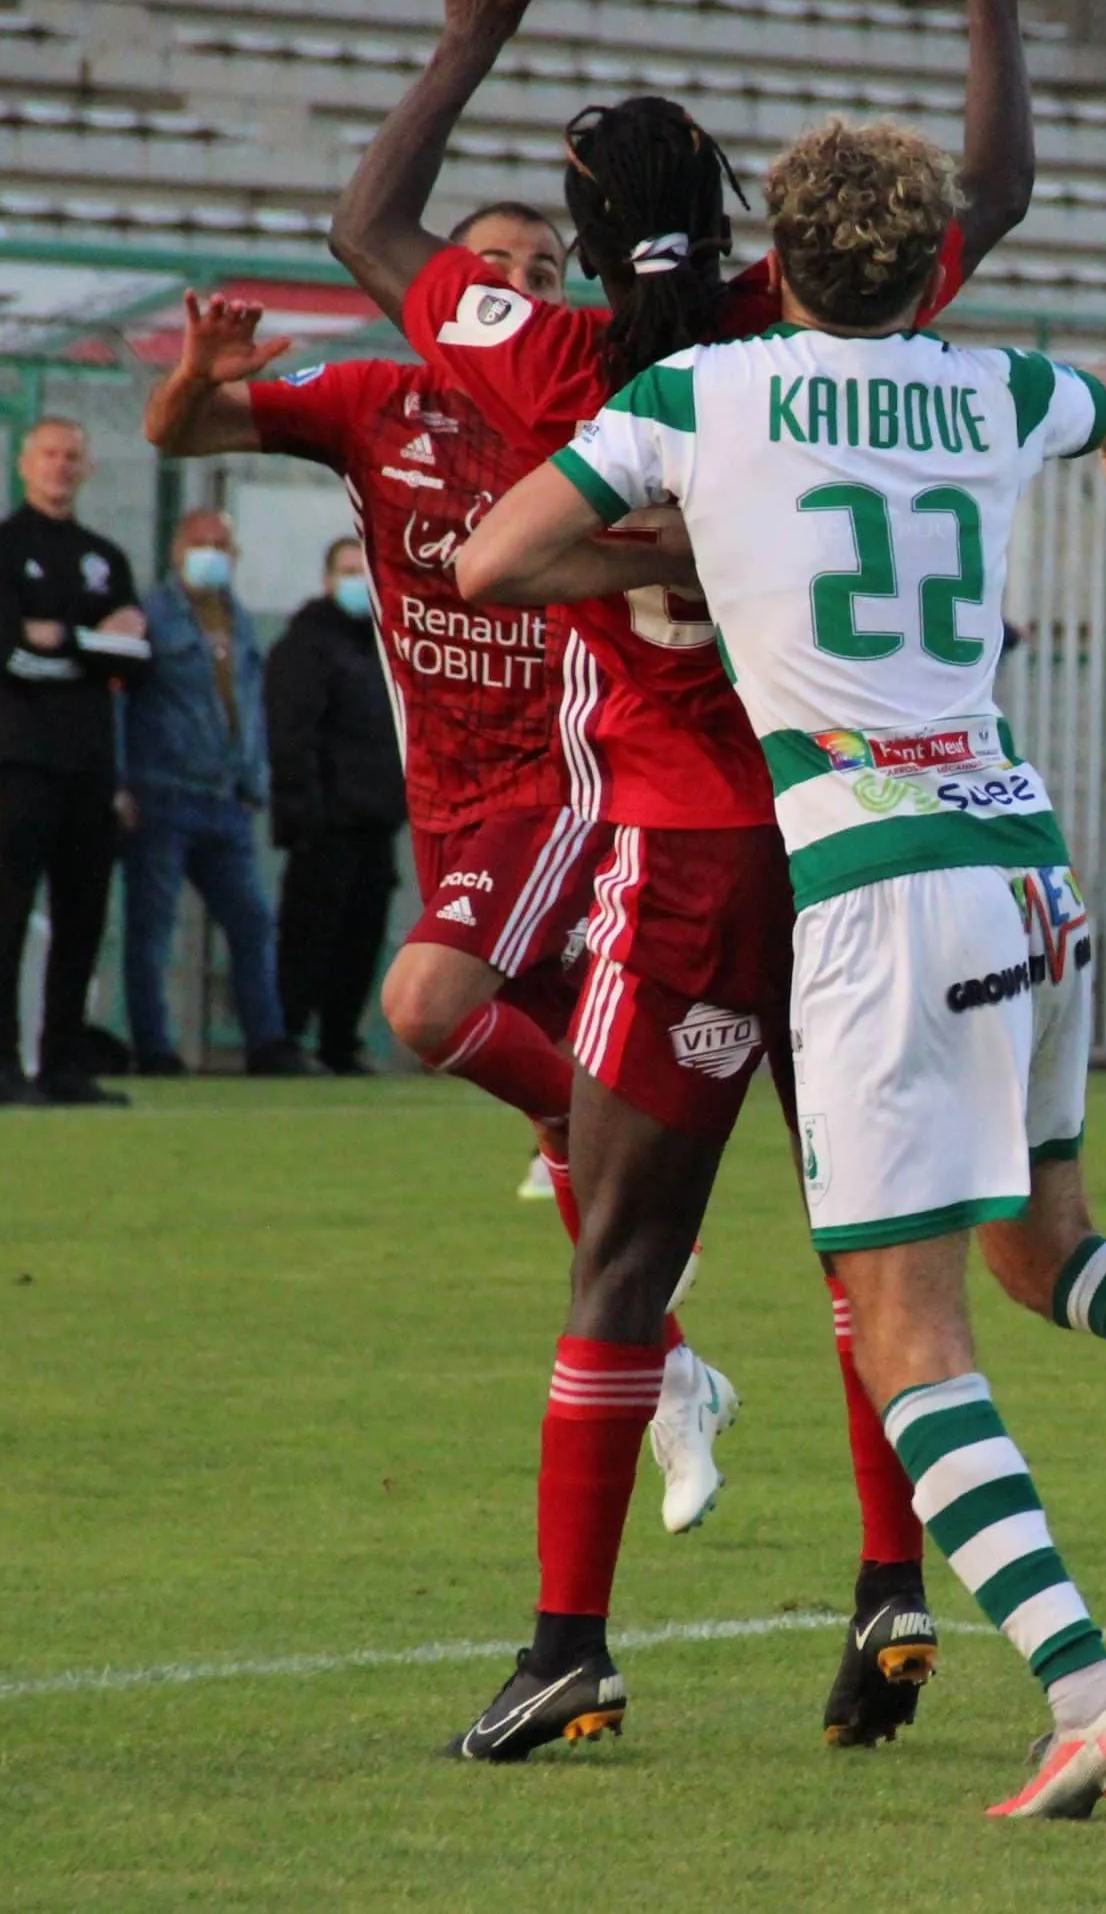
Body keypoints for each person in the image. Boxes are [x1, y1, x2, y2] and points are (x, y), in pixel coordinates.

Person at [459, 114, 1106, 1817]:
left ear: (780, 263)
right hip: (1023, 858)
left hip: (877, 888)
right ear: (924, 266)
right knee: (1048, 1248)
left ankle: (1090, 1700)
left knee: (905, 1329)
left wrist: (695, 547)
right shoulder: (994, 388)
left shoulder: (701, 394)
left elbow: (491, 555)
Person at [331, 0, 1041, 1761]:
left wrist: (469, 41)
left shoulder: (564, 358)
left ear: (579, 242)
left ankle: (569, 1648)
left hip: (690, 854)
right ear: (736, 223)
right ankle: (892, 1584)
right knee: (875, 1245)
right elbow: (995, 186)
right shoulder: (796, 330)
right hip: (857, 841)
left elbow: (369, 228)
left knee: (626, 1259)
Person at [141, 223, 741, 1533]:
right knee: (556, 1122)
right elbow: (178, 434)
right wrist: (196, 373)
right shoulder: (375, 401)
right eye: (497, 265)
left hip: (566, 777)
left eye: (544, 271)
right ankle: (672, 1377)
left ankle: (640, 1160)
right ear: (444, 291)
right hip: (446, 798)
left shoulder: (592, 402)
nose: (519, 286)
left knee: (423, 1004)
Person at [0, 416, 151, 1106]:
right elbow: (4, 654)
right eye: (49, 454)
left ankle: (64, 1065)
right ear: (25, 463)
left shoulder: (106, 557)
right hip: (17, 762)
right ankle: (1, 1065)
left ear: (88, 467)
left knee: (82, 921)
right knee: (6, 916)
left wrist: (60, 639)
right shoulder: (0, 549)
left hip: (89, 769)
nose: (61, 466)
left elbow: (137, 659)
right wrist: (89, 644)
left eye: (73, 455)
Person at [119, 508, 306, 1078]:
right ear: (177, 551)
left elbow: (248, 708)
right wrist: (121, 781)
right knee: (153, 929)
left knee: (252, 922)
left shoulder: (238, 619)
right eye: (201, 543)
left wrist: (254, 779)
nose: (211, 554)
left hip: (226, 799)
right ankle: (154, 1047)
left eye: (221, 544)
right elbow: (122, 702)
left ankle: (267, 1042)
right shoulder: (151, 616)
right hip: (165, 792)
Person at [263, 535, 406, 1075]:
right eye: (349, 570)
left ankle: (339, 1040)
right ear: (327, 579)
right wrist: (301, 810)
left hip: (376, 819)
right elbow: (291, 733)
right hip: (325, 821)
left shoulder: (385, 645)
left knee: (361, 937)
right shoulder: (307, 644)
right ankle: (287, 1033)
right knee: (309, 933)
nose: (358, 582)